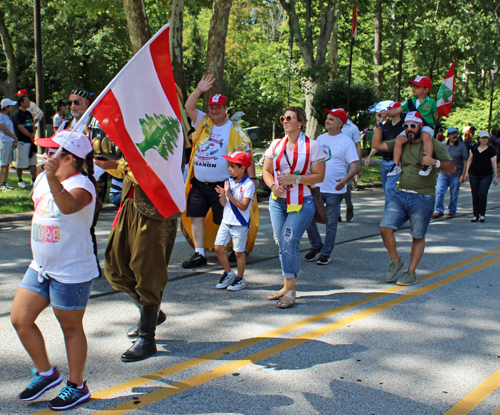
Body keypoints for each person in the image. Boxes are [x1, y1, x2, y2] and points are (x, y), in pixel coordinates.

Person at [94, 85, 189, 362]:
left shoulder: (175, 129)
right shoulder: (142, 122)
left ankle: (147, 338)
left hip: (157, 210)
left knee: (148, 272)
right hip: (130, 203)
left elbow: (158, 165)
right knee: (115, 267)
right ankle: (153, 312)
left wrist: (114, 165)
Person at [10, 130, 97, 410]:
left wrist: (50, 178)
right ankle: (47, 373)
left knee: (70, 328)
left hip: (71, 271)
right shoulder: (43, 180)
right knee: (20, 319)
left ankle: (77, 386)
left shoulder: (83, 185)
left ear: (69, 158)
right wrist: (47, 177)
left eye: (52, 151)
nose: (46, 156)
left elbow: (69, 206)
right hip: (41, 267)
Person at [181, 74, 259, 268]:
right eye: (211, 107)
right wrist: (199, 89)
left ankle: (235, 249)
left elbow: (247, 154)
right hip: (199, 183)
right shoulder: (203, 122)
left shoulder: (235, 130)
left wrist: (253, 178)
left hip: (223, 184)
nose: (214, 110)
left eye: (218, 107)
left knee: (229, 219)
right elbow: (188, 107)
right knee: (197, 216)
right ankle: (199, 254)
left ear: (225, 109)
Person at [372, 111, 455, 286]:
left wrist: (436, 163)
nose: (409, 129)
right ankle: (396, 261)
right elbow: (377, 144)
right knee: (385, 228)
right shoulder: (401, 142)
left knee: (417, 236)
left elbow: (452, 167)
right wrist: (379, 124)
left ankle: (411, 272)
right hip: (401, 193)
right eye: (406, 126)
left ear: (420, 127)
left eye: (413, 126)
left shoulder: (433, 144)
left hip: (423, 197)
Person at [262, 106, 325, 308]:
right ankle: (286, 286)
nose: (285, 121)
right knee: (281, 242)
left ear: (301, 122)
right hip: (278, 201)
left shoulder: (312, 145)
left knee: (289, 240)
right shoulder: (276, 145)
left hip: (302, 200)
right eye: (283, 118)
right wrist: (273, 186)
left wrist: (295, 178)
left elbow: (319, 176)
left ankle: (291, 291)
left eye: (290, 118)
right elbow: (266, 170)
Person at [305, 108, 360, 265]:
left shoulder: (346, 141)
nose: (327, 120)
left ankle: (326, 253)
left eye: (331, 119)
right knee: (307, 217)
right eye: (327, 118)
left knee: (330, 223)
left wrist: (346, 179)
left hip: (335, 189)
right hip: (316, 187)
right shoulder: (320, 138)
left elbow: (355, 165)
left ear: (340, 123)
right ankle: (316, 246)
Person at [214, 152, 255, 290]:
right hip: (226, 221)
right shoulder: (228, 180)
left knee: (238, 253)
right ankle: (228, 273)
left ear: (242, 168)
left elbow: (244, 206)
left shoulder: (249, 185)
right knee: (218, 247)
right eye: (229, 166)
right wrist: (223, 197)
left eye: (232, 166)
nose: (229, 169)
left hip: (240, 223)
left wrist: (229, 195)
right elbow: (223, 203)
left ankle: (240, 279)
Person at [383, 76, 439, 177]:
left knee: (426, 136)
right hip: (411, 127)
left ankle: (427, 163)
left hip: (426, 126)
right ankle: (396, 165)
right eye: (413, 86)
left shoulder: (431, 102)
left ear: (426, 89)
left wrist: (441, 114)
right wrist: (387, 113)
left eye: (418, 86)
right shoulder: (409, 102)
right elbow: (397, 110)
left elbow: (436, 117)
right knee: (399, 139)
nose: (414, 88)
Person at [365, 101, 404, 209]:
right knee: (386, 188)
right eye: (388, 109)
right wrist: (369, 156)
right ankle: (395, 210)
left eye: (391, 109)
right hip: (384, 161)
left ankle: (389, 214)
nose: (388, 111)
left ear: (398, 110)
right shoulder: (386, 125)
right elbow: (378, 143)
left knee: (389, 188)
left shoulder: (404, 126)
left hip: (395, 162)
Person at [432, 127, 469, 219]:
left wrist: (463, 174)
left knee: (453, 194)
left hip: (456, 174)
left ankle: (452, 211)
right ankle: (438, 210)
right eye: (452, 134)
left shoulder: (462, 146)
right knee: (439, 192)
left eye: (456, 133)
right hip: (443, 173)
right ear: (448, 136)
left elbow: (465, 161)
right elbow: (437, 157)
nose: (455, 135)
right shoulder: (443, 144)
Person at [464, 130, 498, 222]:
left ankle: (482, 214)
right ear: (479, 139)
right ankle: (475, 214)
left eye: (486, 138)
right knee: (474, 194)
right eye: (482, 138)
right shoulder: (474, 148)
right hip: (474, 174)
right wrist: (466, 172)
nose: (484, 140)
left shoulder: (491, 150)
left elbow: (494, 163)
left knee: (482, 193)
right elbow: (470, 160)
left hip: (486, 175)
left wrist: (495, 176)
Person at [338, 104, 361, 222]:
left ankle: (349, 207)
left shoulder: (352, 128)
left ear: (346, 113)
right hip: (335, 161)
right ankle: (336, 212)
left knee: (346, 186)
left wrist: (358, 164)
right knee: (334, 185)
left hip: (348, 162)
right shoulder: (333, 126)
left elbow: (358, 145)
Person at [12, 94, 37, 188]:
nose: (28, 103)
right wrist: (29, 135)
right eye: (26, 101)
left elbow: (32, 124)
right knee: (21, 162)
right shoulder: (17, 114)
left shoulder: (28, 113)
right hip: (22, 141)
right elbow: (20, 127)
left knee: (33, 162)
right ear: (21, 103)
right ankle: (20, 180)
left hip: (30, 141)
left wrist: (33, 133)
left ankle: (34, 179)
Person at [0, 98, 18, 190]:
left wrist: (14, 139)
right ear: (6, 107)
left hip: (9, 141)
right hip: (4, 141)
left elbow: (10, 130)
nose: (12, 107)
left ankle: (4, 182)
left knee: (7, 163)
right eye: (10, 105)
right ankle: (0, 184)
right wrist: (15, 137)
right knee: (3, 164)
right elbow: (4, 130)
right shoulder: (0, 116)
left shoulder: (7, 116)